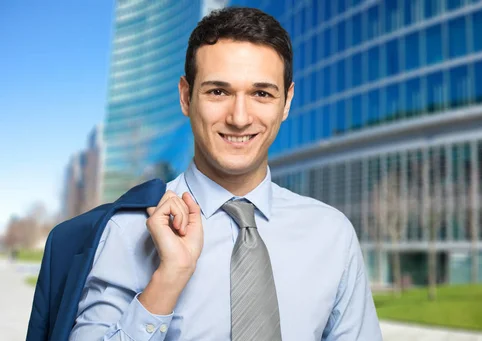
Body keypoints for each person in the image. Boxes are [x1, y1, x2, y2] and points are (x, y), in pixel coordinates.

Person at [68, 7, 382, 340]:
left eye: (261, 94)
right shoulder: (128, 232)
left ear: (286, 102)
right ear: (186, 97)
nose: (240, 117)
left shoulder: (332, 235)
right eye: (219, 92)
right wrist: (168, 280)